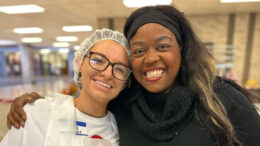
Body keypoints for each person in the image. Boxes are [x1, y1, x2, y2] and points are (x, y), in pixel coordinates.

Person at [6, 5, 260, 146]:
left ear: (182, 50)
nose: (151, 58)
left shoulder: (222, 101)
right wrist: (36, 105)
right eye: (138, 50)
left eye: (163, 46)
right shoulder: (126, 104)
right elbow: (86, 107)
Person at [1, 28, 131, 146]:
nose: (107, 73)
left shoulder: (124, 131)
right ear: (79, 63)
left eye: (119, 69)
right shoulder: (34, 114)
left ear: (125, 82)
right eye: (98, 60)